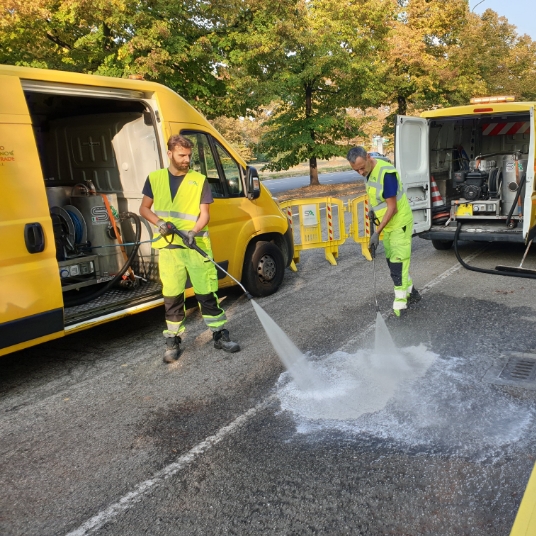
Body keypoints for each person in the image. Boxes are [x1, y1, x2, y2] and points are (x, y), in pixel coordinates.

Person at [140, 134, 240, 363]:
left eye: (189, 155)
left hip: (195, 245)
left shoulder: (199, 179)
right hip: (169, 249)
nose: (186, 159)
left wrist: (193, 232)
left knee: (206, 293)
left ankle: (219, 335)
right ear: (170, 154)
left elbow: (205, 214)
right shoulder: (154, 179)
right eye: (181, 155)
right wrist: (160, 223)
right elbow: (144, 208)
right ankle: (173, 340)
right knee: (172, 296)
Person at [346, 146, 420, 317]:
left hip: (399, 221)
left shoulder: (386, 173)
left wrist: (376, 233)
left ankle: (400, 304)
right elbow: (377, 197)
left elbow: (392, 208)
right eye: (356, 170)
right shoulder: (368, 172)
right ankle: (412, 293)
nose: (360, 172)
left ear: (368, 156)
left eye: (362, 167)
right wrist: (373, 210)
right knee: (391, 260)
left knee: (398, 261)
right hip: (387, 224)